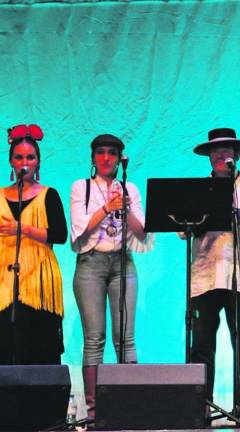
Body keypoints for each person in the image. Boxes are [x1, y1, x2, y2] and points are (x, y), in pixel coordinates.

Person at [188, 127, 240, 426]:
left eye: (227, 150)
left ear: (236, 154)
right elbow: (184, 230)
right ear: (209, 156)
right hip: (206, 274)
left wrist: (236, 212)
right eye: (216, 151)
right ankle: (201, 405)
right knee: (201, 345)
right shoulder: (198, 189)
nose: (222, 155)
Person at [70, 134, 153, 418]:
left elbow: (142, 232)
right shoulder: (82, 187)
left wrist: (125, 206)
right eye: (101, 153)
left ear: (120, 159)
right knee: (94, 339)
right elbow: (79, 229)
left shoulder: (129, 188)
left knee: (125, 338)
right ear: (93, 158)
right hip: (90, 264)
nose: (106, 158)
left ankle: (127, 405)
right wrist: (107, 207)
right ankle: (94, 410)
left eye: (112, 153)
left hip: (122, 263)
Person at [0, 124, 67, 365]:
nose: (24, 162)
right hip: (3, 283)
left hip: (38, 280)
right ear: (11, 162)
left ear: (38, 162)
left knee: (38, 349)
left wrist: (23, 229)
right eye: (19, 157)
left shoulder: (49, 194)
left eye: (30, 157)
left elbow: (60, 235)